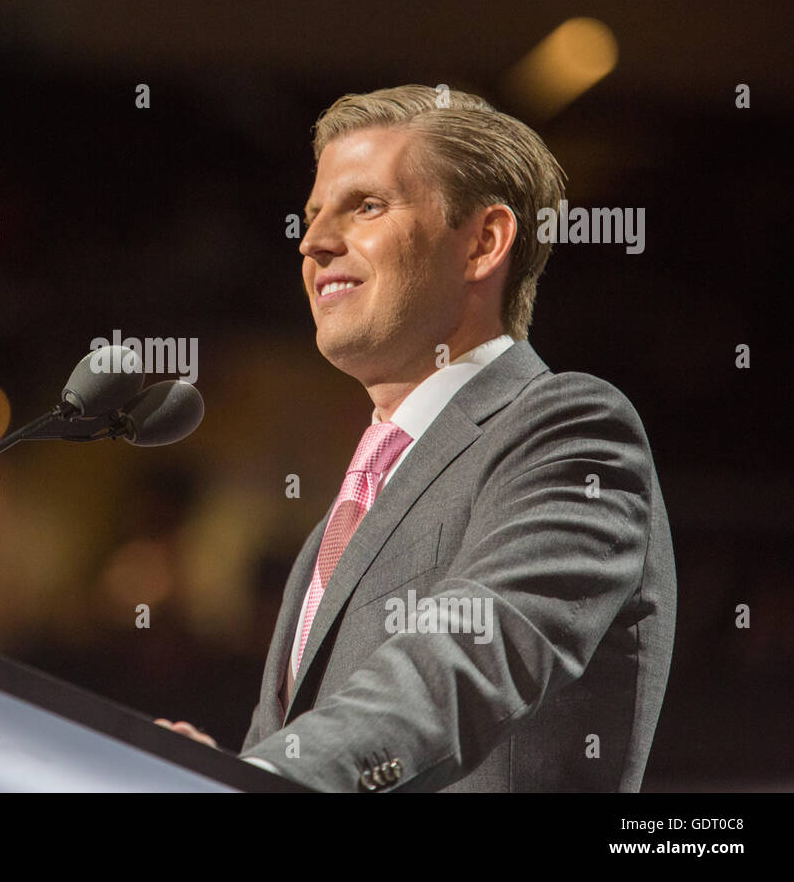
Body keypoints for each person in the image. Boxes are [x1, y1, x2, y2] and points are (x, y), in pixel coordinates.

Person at [156, 84, 676, 792]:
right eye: (311, 217)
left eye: (365, 206)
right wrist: (212, 774)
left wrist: (265, 776)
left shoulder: (566, 428)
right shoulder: (335, 528)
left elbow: (467, 660)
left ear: (484, 242)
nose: (312, 243)